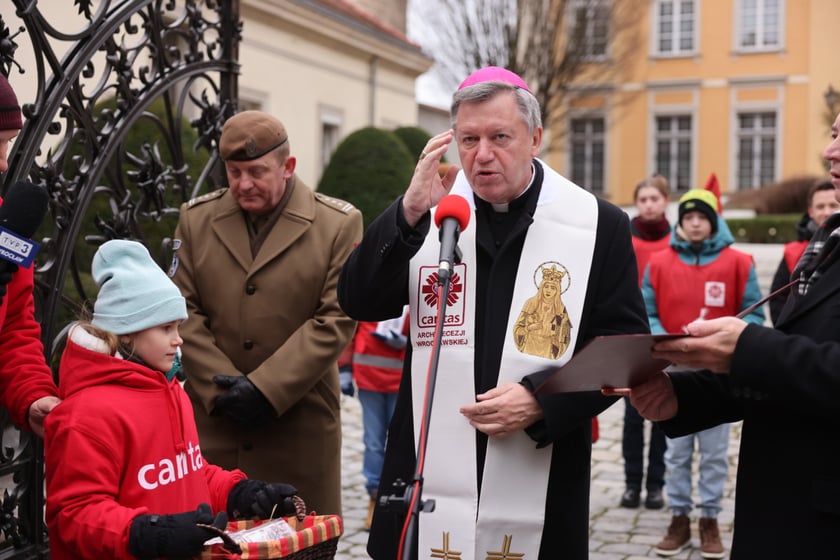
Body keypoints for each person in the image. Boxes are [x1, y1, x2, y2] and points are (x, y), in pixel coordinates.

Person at [338, 66, 649, 559]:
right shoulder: (434, 214)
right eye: (469, 139)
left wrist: (541, 399)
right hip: (427, 460)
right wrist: (408, 213)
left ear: (535, 138)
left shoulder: (596, 224)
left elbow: (624, 347)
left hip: (541, 460)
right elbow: (359, 301)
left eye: (499, 137)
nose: (482, 155)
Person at [621, 111, 840, 558]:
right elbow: (798, 367)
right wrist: (682, 396)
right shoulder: (827, 241)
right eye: (834, 134)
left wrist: (746, 346)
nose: (829, 150)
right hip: (782, 509)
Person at [44, 240, 300, 560]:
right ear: (127, 331)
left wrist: (239, 493)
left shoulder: (171, 390)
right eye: (166, 327)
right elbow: (73, 514)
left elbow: (187, 475)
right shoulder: (86, 414)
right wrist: (146, 533)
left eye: (178, 326)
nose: (178, 339)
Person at [169, 110, 363, 516]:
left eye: (256, 172)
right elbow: (182, 307)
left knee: (300, 539)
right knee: (213, 538)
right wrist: (221, 390)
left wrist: (265, 389)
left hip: (298, 425)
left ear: (287, 166)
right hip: (216, 425)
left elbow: (335, 318)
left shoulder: (336, 225)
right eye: (233, 172)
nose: (243, 184)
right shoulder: (196, 219)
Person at [642, 188, 764, 558]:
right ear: (680, 222)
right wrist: (666, 339)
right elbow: (647, 310)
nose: (695, 224)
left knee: (714, 453)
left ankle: (709, 518)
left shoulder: (739, 262)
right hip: (674, 369)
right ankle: (679, 516)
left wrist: (725, 344)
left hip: (718, 372)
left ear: (714, 222)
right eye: (689, 218)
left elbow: (755, 313)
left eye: (702, 218)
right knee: (676, 452)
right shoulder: (658, 263)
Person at [0, 72, 60, 437]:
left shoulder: (5, 222)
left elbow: (15, 328)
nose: (3, 163)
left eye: (7, 144)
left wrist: (33, 394)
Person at [620, 174, 671, 510]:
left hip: (666, 333)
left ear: (665, 201)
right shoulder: (624, 238)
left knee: (664, 412)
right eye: (643, 199)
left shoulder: (676, 241)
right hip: (633, 336)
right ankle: (631, 483)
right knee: (633, 416)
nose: (649, 205)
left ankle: (656, 484)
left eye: (655, 198)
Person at [338, 306, 409, 530]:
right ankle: (375, 498)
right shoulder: (373, 292)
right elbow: (350, 327)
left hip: (402, 380)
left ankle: (399, 497)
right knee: (374, 442)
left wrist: (409, 343)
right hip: (369, 378)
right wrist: (344, 368)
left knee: (399, 442)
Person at [768, 178, 839, 323]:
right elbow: (777, 298)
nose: (827, 212)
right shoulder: (792, 252)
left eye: (833, 205)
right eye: (820, 207)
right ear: (811, 212)